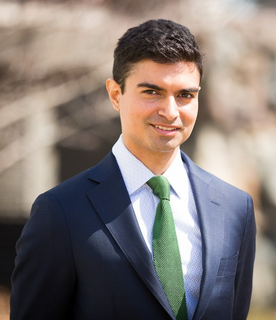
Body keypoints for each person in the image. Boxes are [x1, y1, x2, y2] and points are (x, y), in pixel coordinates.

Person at [10, 19, 256, 320]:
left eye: (185, 95)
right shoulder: (60, 211)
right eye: (152, 92)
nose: (170, 111)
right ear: (116, 95)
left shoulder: (234, 208)